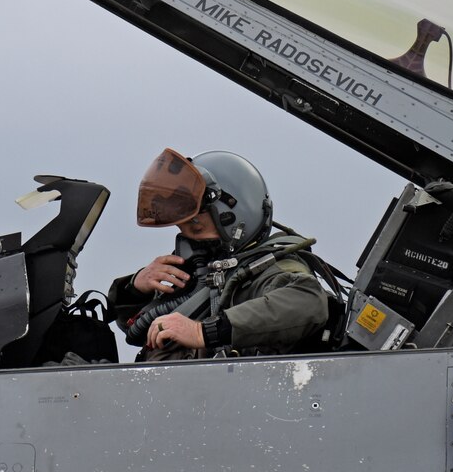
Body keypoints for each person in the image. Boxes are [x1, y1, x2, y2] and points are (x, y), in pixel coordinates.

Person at [107, 148, 336, 359]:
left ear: (235, 221)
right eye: (183, 230)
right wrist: (136, 289)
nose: (192, 241)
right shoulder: (202, 278)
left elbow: (307, 303)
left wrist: (202, 332)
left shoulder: (268, 270)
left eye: (196, 228)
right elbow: (136, 328)